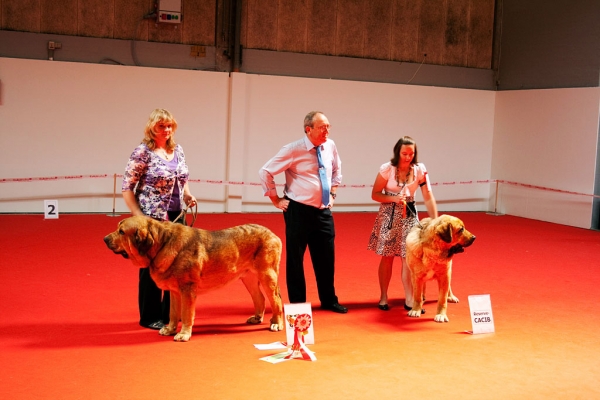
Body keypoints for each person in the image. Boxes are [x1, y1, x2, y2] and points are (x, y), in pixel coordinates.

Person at [259, 111, 347, 314]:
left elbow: (336, 170)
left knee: (326, 258)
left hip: (323, 211)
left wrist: (333, 193)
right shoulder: (292, 149)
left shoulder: (330, 146)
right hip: (298, 210)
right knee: (295, 260)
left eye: (328, 126)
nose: (327, 130)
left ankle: (329, 300)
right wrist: (275, 199)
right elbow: (265, 171)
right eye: (322, 127)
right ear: (309, 129)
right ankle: (298, 306)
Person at [122, 108, 197, 329]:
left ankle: (170, 314)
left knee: (176, 266)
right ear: (152, 128)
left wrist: (187, 194)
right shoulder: (142, 152)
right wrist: (139, 218)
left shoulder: (178, 150)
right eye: (161, 126)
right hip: (151, 218)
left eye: (169, 126)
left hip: (176, 217)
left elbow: (182, 179)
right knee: (151, 267)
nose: (166, 130)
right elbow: (127, 187)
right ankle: (149, 315)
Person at [367, 136, 437, 312]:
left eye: (411, 153)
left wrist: (435, 221)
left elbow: (428, 196)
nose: (408, 157)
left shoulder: (420, 170)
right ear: (397, 152)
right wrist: (394, 198)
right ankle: (383, 296)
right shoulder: (387, 169)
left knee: (409, 258)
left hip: (410, 215)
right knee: (387, 256)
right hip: (388, 215)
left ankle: (410, 298)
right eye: (404, 153)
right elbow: (375, 194)